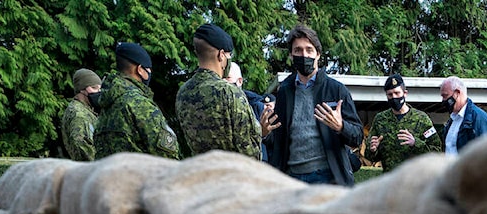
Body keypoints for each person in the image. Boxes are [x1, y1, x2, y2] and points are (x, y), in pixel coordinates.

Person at [260, 24, 363, 186]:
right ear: (291, 56)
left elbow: (358, 136)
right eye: (298, 50)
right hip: (291, 178)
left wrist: (341, 126)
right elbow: (278, 139)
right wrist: (265, 133)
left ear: (318, 55)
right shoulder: (284, 92)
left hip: (327, 177)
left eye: (309, 50)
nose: (304, 55)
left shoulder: (336, 90)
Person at [175, 25, 261, 159]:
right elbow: (249, 152)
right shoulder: (230, 92)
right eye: (229, 55)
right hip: (231, 175)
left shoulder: (182, 93)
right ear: (221, 55)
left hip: (200, 174)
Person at [93, 42, 179, 159]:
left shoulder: (106, 103)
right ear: (139, 69)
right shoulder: (139, 104)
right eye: (148, 69)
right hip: (140, 175)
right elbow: (167, 156)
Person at [367, 74, 441, 172]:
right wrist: (373, 150)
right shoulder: (380, 120)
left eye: (397, 93)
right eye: (390, 94)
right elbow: (370, 157)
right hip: (390, 181)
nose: (394, 97)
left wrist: (415, 143)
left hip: (414, 181)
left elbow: (436, 151)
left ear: (405, 93)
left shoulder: (421, 119)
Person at [440, 76, 487, 154]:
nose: (443, 100)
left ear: (457, 93)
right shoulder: (452, 121)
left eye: (445, 96)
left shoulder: (479, 118)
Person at [61, 69, 102, 161]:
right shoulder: (79, 114)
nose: (98, 92)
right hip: (87, 170)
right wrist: (102, 164)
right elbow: (81, 144)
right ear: (82, 89)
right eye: (94, 88)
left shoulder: (86, 110)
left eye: (100, 88)